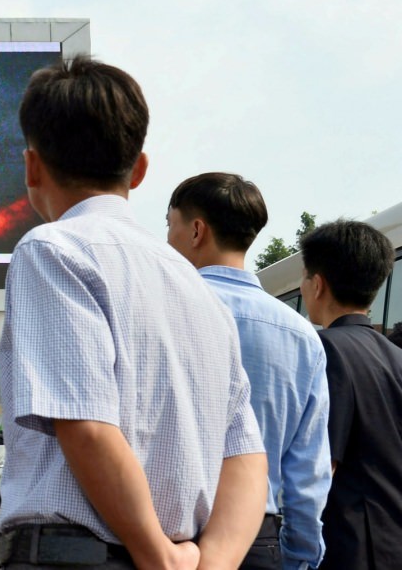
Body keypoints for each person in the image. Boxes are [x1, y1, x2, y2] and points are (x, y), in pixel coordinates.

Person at [0, 56, 267, 569]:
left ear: (32, 166)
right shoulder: (196, 284)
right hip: (185, 552)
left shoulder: (53, 249)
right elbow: (246, 453)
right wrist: (214, 563)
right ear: (139, 169)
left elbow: (87, 425)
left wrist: (155, 555)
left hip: (77, 552)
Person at [167, 172, 331, 569]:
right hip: (259, 536)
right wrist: (298, 555)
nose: (167, 240)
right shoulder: (302, 336)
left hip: (168, 538)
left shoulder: (160, 310)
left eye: (169, 225)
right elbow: (307, 471)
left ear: (196, 231)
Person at [298, 220, 402, 570]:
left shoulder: (324, 349)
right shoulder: (396, 355)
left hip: (350, 546)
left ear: (318, 284)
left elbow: (320, 465)